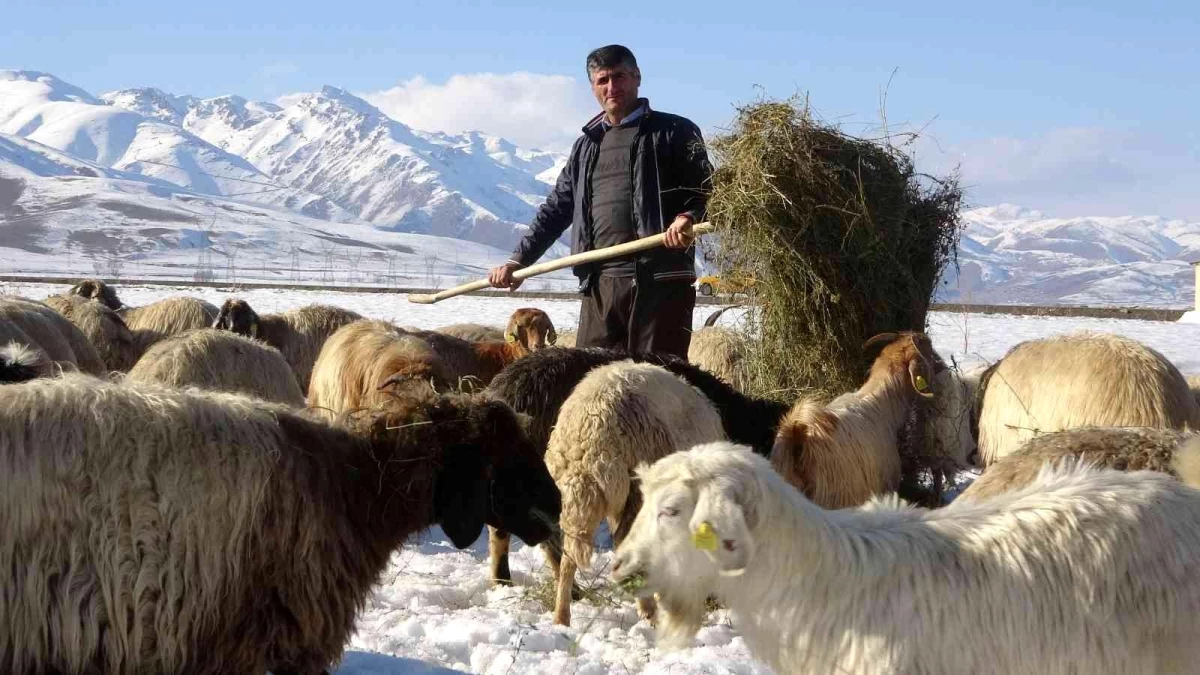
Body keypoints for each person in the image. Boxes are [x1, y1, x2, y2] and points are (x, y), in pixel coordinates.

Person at [487, 44, 713, 359]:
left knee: (659, 383)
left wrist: (687, 216)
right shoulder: (586, 146)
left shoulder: (674, 131)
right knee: (592, 381)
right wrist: (518, 261)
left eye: (619, 77)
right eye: (602, 80)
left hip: (660, 283)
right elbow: (556, 210)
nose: (611, 87)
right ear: (593, 87)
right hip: (600, 285)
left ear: (637, 77)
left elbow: (706, 189)